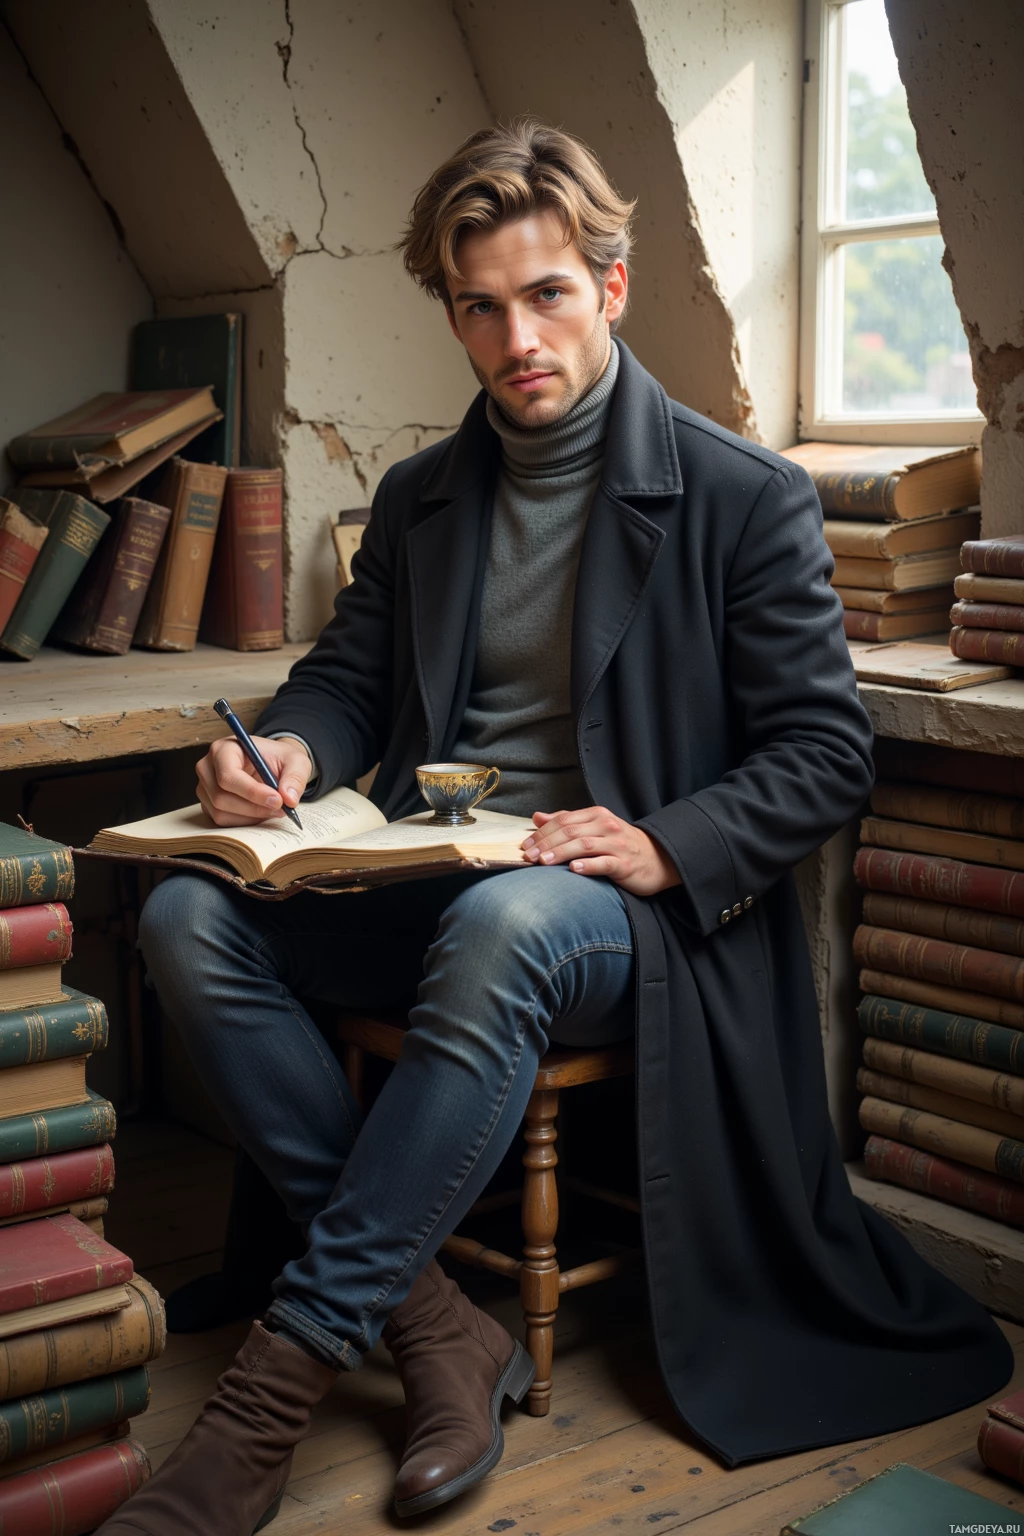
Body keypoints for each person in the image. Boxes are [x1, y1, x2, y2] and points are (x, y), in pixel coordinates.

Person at [99, 121, 1011, 1536]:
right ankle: (437, 1327)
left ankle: (266, 1403)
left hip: (620, 908)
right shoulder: (421, 497)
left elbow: (827, 754)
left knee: (506, 921)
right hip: (433, 871)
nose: (517, 335)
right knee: (182, 915)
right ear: (454, 315)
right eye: (482, 306)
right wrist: (286, 748)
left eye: (547, 296)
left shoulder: (741, 495)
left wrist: (668, 841)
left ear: (613, 288)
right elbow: (347, 681)